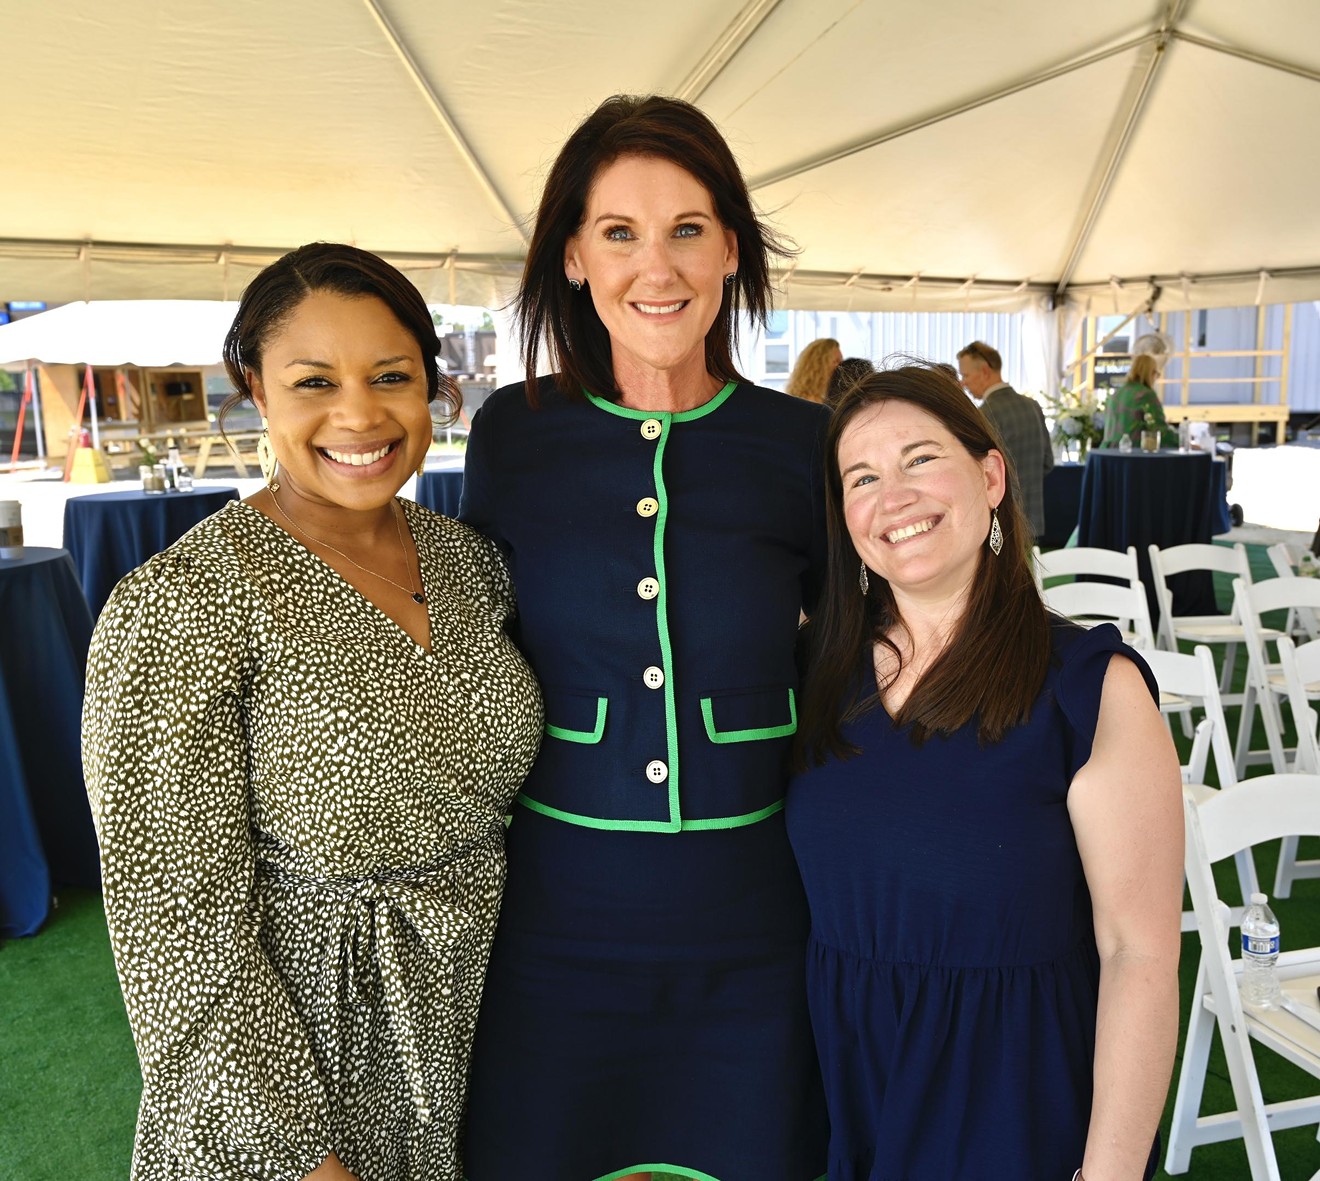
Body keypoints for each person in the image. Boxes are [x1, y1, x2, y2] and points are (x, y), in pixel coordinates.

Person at [81, 243, 543, 1181]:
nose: (361, 414)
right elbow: (177, 924)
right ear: (255, 387)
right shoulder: (182, 603)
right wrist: (301, 1155)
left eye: (390, 376)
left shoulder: (470, 561)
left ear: (430, 384)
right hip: (301, 1070)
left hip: (480, 1033)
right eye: (313, 381)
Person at [458, 94, 830, 1180]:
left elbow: (862, 645)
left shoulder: (800, 442)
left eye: (687, 229)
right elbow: (473, 634)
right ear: (572, 255)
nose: (654, 266)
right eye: (618, 231)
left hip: (757, 911)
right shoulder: (512, 433)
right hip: (558, 913)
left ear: (730, 249)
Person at [786, 364, 1183, 1181]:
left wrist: (1109, 1172)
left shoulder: (1091, 686)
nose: (893, 495)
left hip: (1010, 1099)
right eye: (863, 477)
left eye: (921, 458)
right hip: (843, 1090)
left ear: (991, 476)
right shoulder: (814, 675)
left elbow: (1138, 952)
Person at [957, 340, 1053, 538]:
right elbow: (1048, 463)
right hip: (1033, 519)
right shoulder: (1032, 406)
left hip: (998, 521)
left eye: (966, 375)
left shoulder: (983, 415)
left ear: (984, 371)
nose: (963, 383)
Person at [1101, 353, 1178, 448]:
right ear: (1150, 373)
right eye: (1156, 374)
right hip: (1132, 454)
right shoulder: (1145, 394)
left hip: (1108, 453)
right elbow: (1159, 429)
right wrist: (1182, 440)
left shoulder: (1117, 393)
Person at [786, 336, 843, 402]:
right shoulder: (811, 402)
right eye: (836, 361)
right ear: (819, 365)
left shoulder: (830, 395)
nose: (841, 365)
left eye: (841, 361)